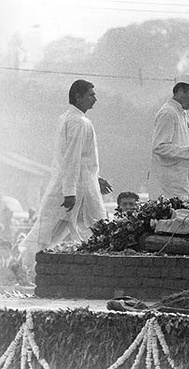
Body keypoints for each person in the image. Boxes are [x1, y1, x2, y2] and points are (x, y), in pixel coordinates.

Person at [16, 79, 112, 277]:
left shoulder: (69, 118)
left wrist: (96, 178)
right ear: (78, 96)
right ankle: (22, 267)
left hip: (78, 185)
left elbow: (80, 159)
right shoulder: (78, 122)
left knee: (55, 231)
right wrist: (70, 192)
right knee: (56, 230)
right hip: (73, 188)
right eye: (91, 95)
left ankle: (25, 266)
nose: (95, 99)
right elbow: (71, 157)